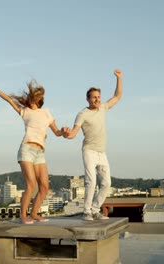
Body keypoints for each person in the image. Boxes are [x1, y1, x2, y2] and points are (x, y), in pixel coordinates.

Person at [0, 80, 63, 224]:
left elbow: (57, 131)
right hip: (27, 149)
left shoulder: (46, 113)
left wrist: (64, 132)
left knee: (44, 186)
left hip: (40, 152)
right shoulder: (25, 111)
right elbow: (10, 100)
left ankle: (34, 213)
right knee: (31, 184)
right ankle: (23, 215)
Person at [63, 69, 123, 221]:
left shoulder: (103, 108)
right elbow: (73, 134)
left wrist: (119, 78)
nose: (97, 100)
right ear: (88, 99)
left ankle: (96, 209)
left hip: (102, 152)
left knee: (107, 183)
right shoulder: (82, 114)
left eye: (99, 97)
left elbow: (117, 96)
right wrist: (66, 132)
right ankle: (87, 212)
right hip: (89, 151)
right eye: (94, 98)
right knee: (91, 182)